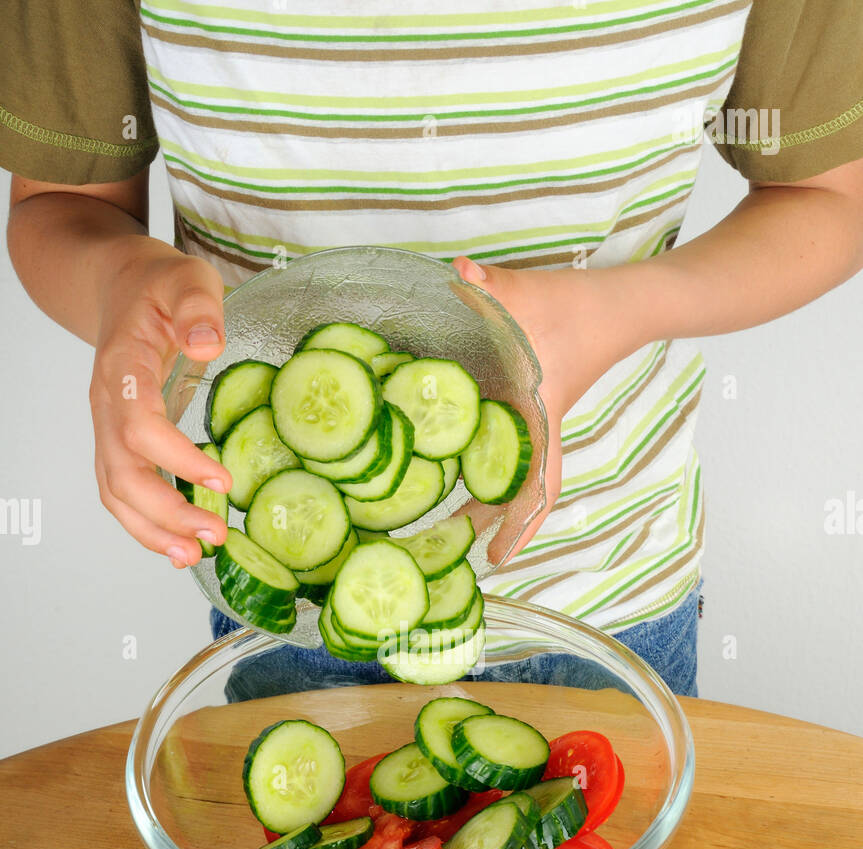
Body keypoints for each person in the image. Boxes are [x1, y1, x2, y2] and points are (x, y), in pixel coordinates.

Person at [4, 0, 863, 697]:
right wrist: (123, 286)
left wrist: (614, 310)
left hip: (611, 589)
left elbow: (827, 195)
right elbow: (61, 206)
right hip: (293, 591)